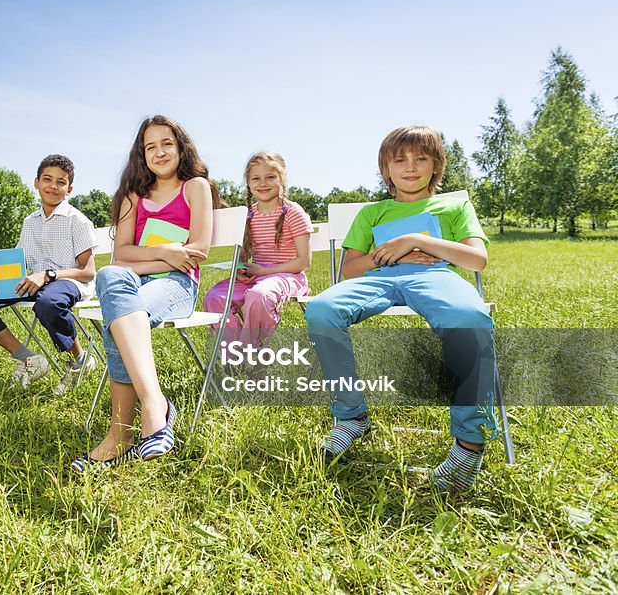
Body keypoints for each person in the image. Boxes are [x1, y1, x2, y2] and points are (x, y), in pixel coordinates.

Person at [304, 125, 498, 492]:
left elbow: (477, 260)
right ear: (386, 170)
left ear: (436, 165)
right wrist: (391, 256)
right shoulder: (372, 212)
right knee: (322, 309)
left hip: (435, 278)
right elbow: (350, 268)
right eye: (399, 160)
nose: (410, 166)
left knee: (470, 317)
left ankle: (469, 444)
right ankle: (351, 416)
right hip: (379, 279)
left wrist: (417, 242)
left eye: (421, 158)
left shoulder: (454, 205)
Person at [72, 115, 219, 472]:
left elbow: (197, 249)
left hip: (178, 285)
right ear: (141, 154)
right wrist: (168, 252)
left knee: (119, 317)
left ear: (181, 146)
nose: (159, 152)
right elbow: (119, 256)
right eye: (150, 146)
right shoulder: (132, 196)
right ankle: (155, 405)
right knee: (111, 277)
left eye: (166, 143)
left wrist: (156, 257)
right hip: (138, 279)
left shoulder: (195, 187)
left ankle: (120, 433)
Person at [0, 154, 97, 395]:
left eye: (61, 182)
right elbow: (20, 264)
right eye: (47, 179)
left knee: (48, 302)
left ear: (70, 189)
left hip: (69, 283)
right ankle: (28, 359)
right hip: (34, 282)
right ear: (36, 182)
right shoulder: (29, 221)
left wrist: (48, 276)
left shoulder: (78, 221)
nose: (53, 186)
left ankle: (79, 360)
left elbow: (88, 271)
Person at [202, 152, 312, 348]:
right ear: (248, 183)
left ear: (282, 179)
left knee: (259, 295)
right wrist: (240, 270)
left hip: (288, 275)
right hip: (256, 276)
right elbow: (243, 257)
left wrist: (263, 272)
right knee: (214, 298)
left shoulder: (294, 212)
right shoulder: (248, 215)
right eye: (256, 178)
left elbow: (304, 262)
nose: (263, 183)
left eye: (270, 177)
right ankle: (233, 353)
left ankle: (255, 354)